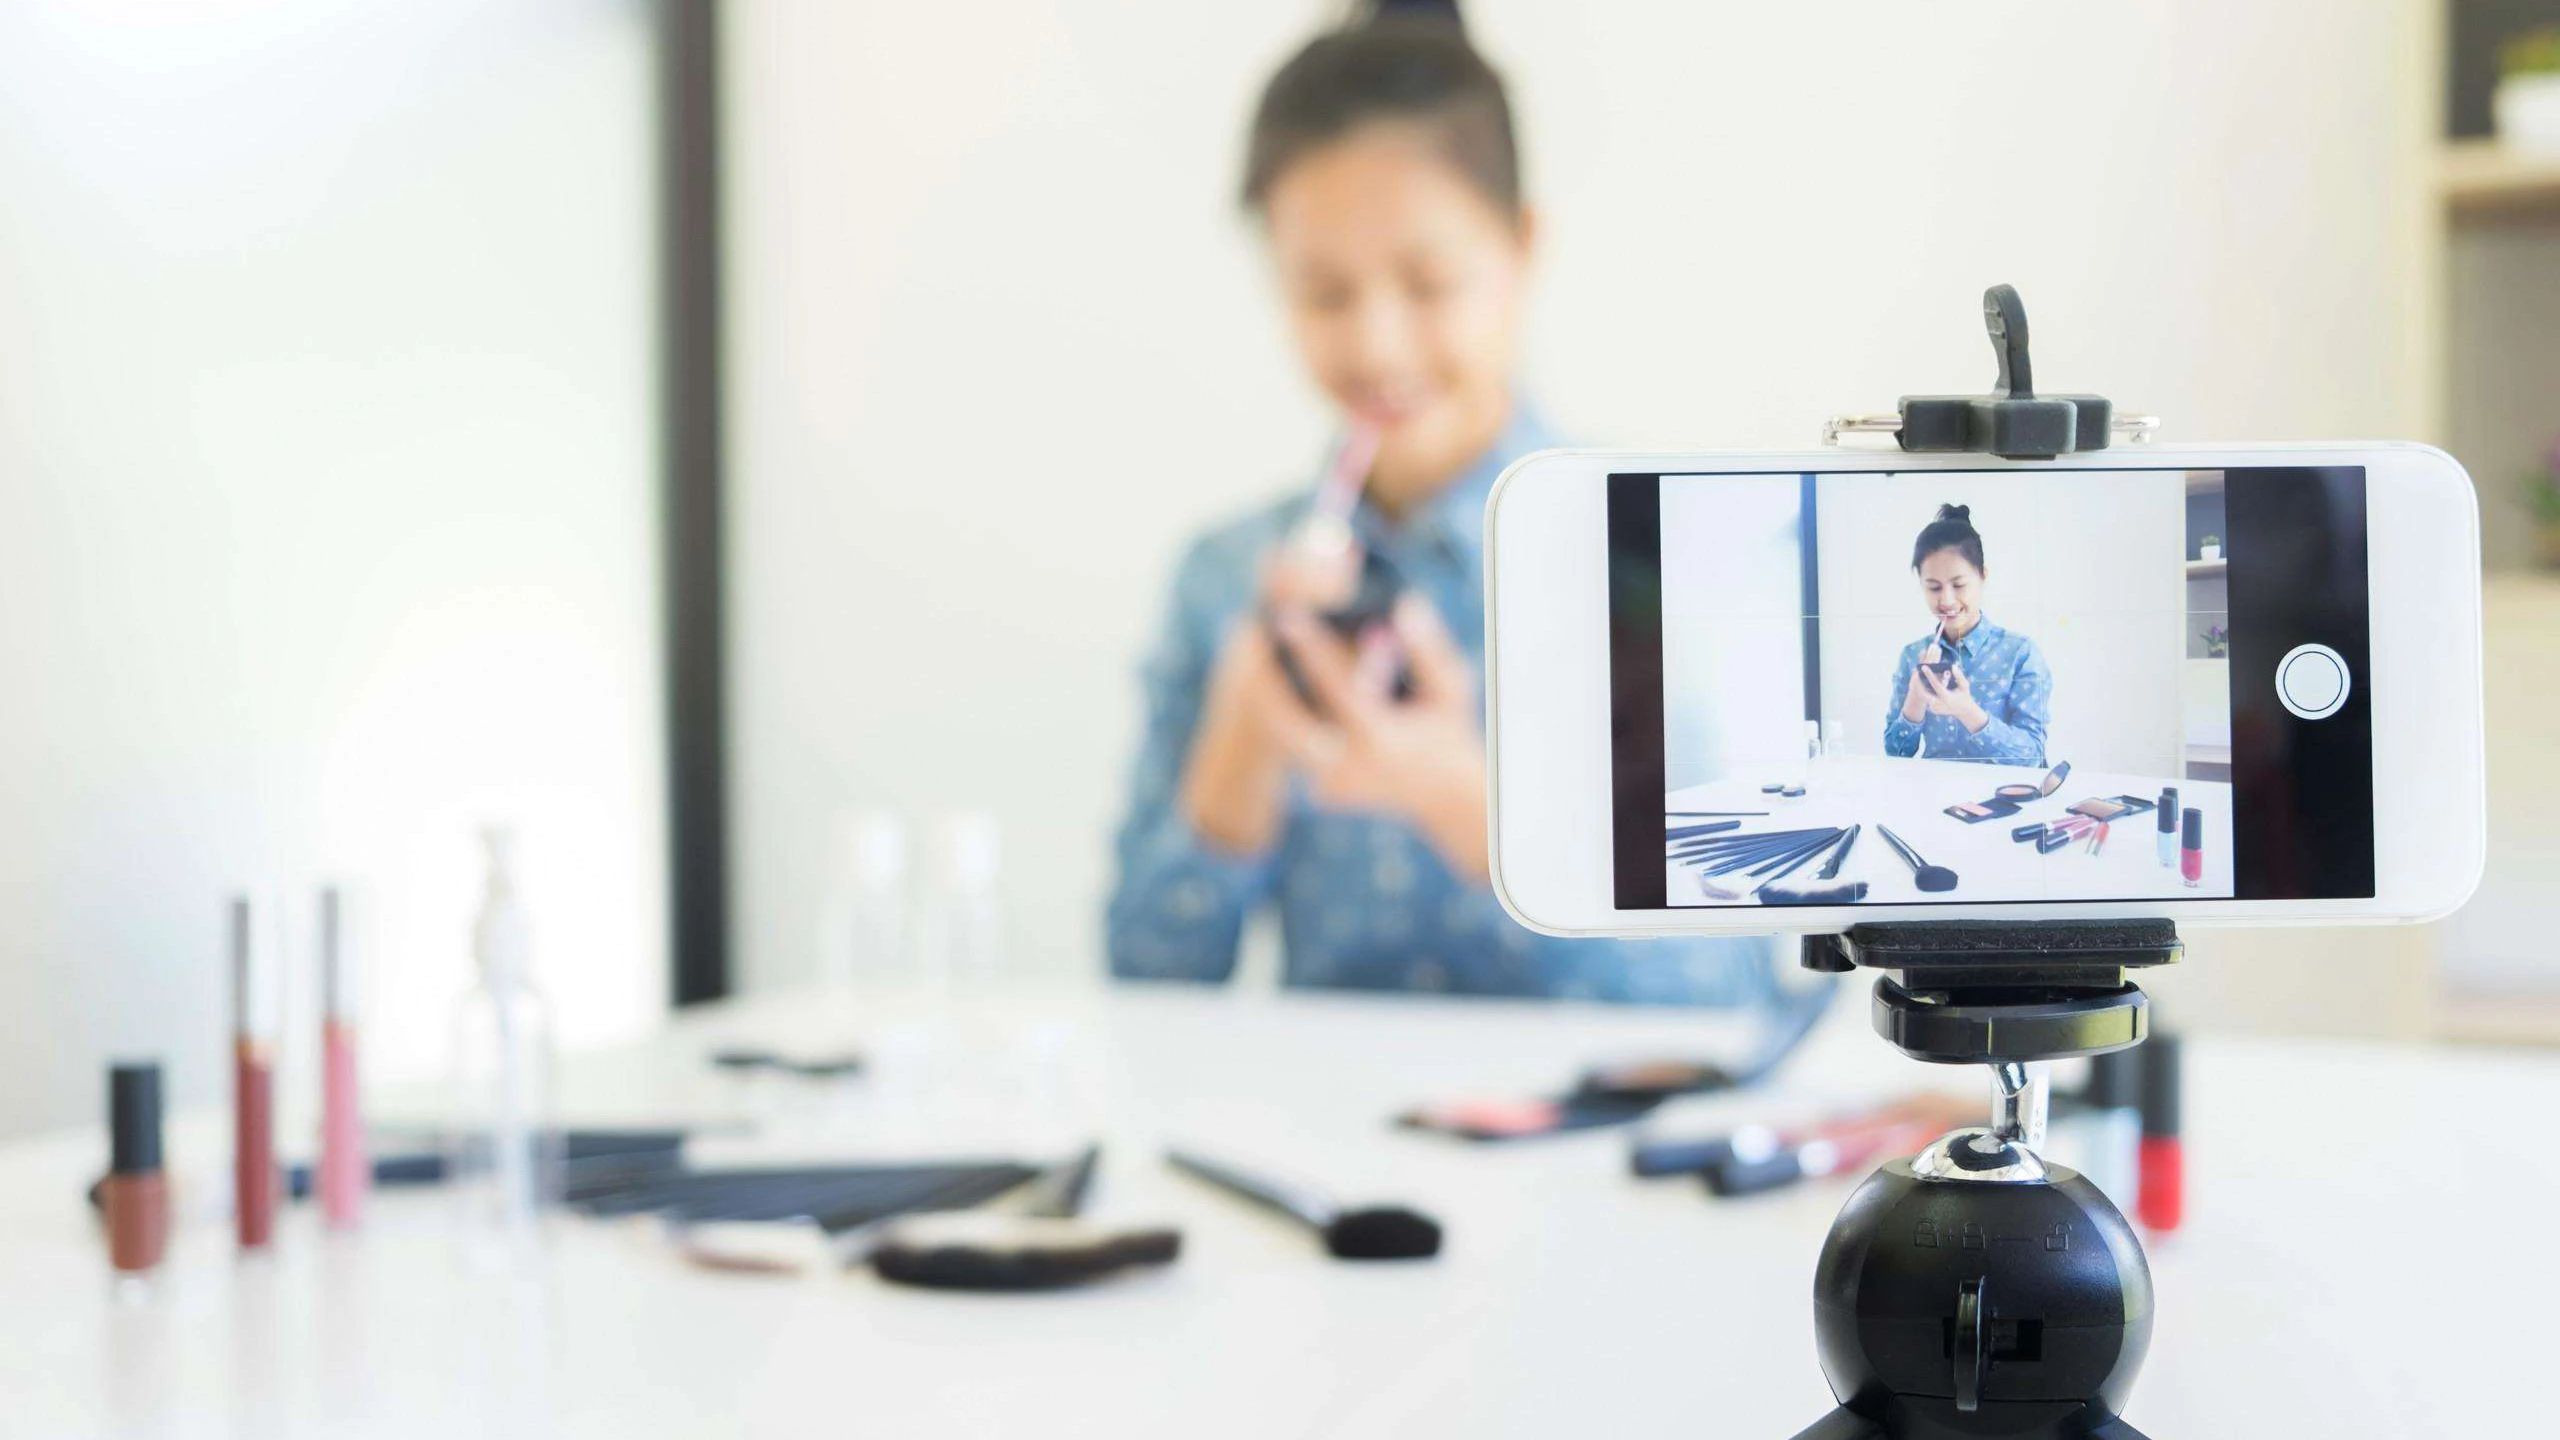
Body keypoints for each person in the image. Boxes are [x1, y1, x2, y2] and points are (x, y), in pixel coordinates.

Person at [1104, 6, 1771, 1004]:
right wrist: (1235, 757)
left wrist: (1464, 805)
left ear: (1521, 249)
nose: (1376, 345)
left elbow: (1728, 989)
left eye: (1428, 282)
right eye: (1324, 293)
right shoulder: (1224, 581)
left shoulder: (1642, 552)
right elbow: (1140, 982)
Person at [1883, 504, 2052, 766]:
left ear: (1983, 576)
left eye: (1959, 585)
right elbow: (1896, 753)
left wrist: (1966, 710)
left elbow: (2032, 756)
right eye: (1934, 587)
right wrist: (1915, 697)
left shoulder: (2020, 653)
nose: (1946, 600)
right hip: (1933, 798)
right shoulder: (1912, 656)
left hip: (2001, 800)